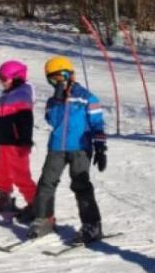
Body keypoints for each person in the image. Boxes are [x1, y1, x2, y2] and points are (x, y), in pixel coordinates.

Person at [28, 55, 105, 245]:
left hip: (80, 148)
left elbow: (97, 124)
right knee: (46, 182)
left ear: (69, 75)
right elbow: (51, 121)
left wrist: (100, 148)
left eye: (58, 78)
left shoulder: (87, 98)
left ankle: (92, 225)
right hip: (56, 148)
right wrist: (58, 101)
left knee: (81, 185)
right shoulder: (53, 101)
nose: (55, 82)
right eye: (51, 79)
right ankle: (44, 219)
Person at [0, 60, 37, 218]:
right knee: (1, 173)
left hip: (16, 145)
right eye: (0, 78)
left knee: (21, 176)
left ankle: (36, 206)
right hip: (4, 144)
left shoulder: (22, 94)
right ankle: (4, 199)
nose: (1, 82)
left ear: (16, 77)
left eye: (4, 78)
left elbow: (26, 121)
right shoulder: (6, 95)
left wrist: (25, 141)